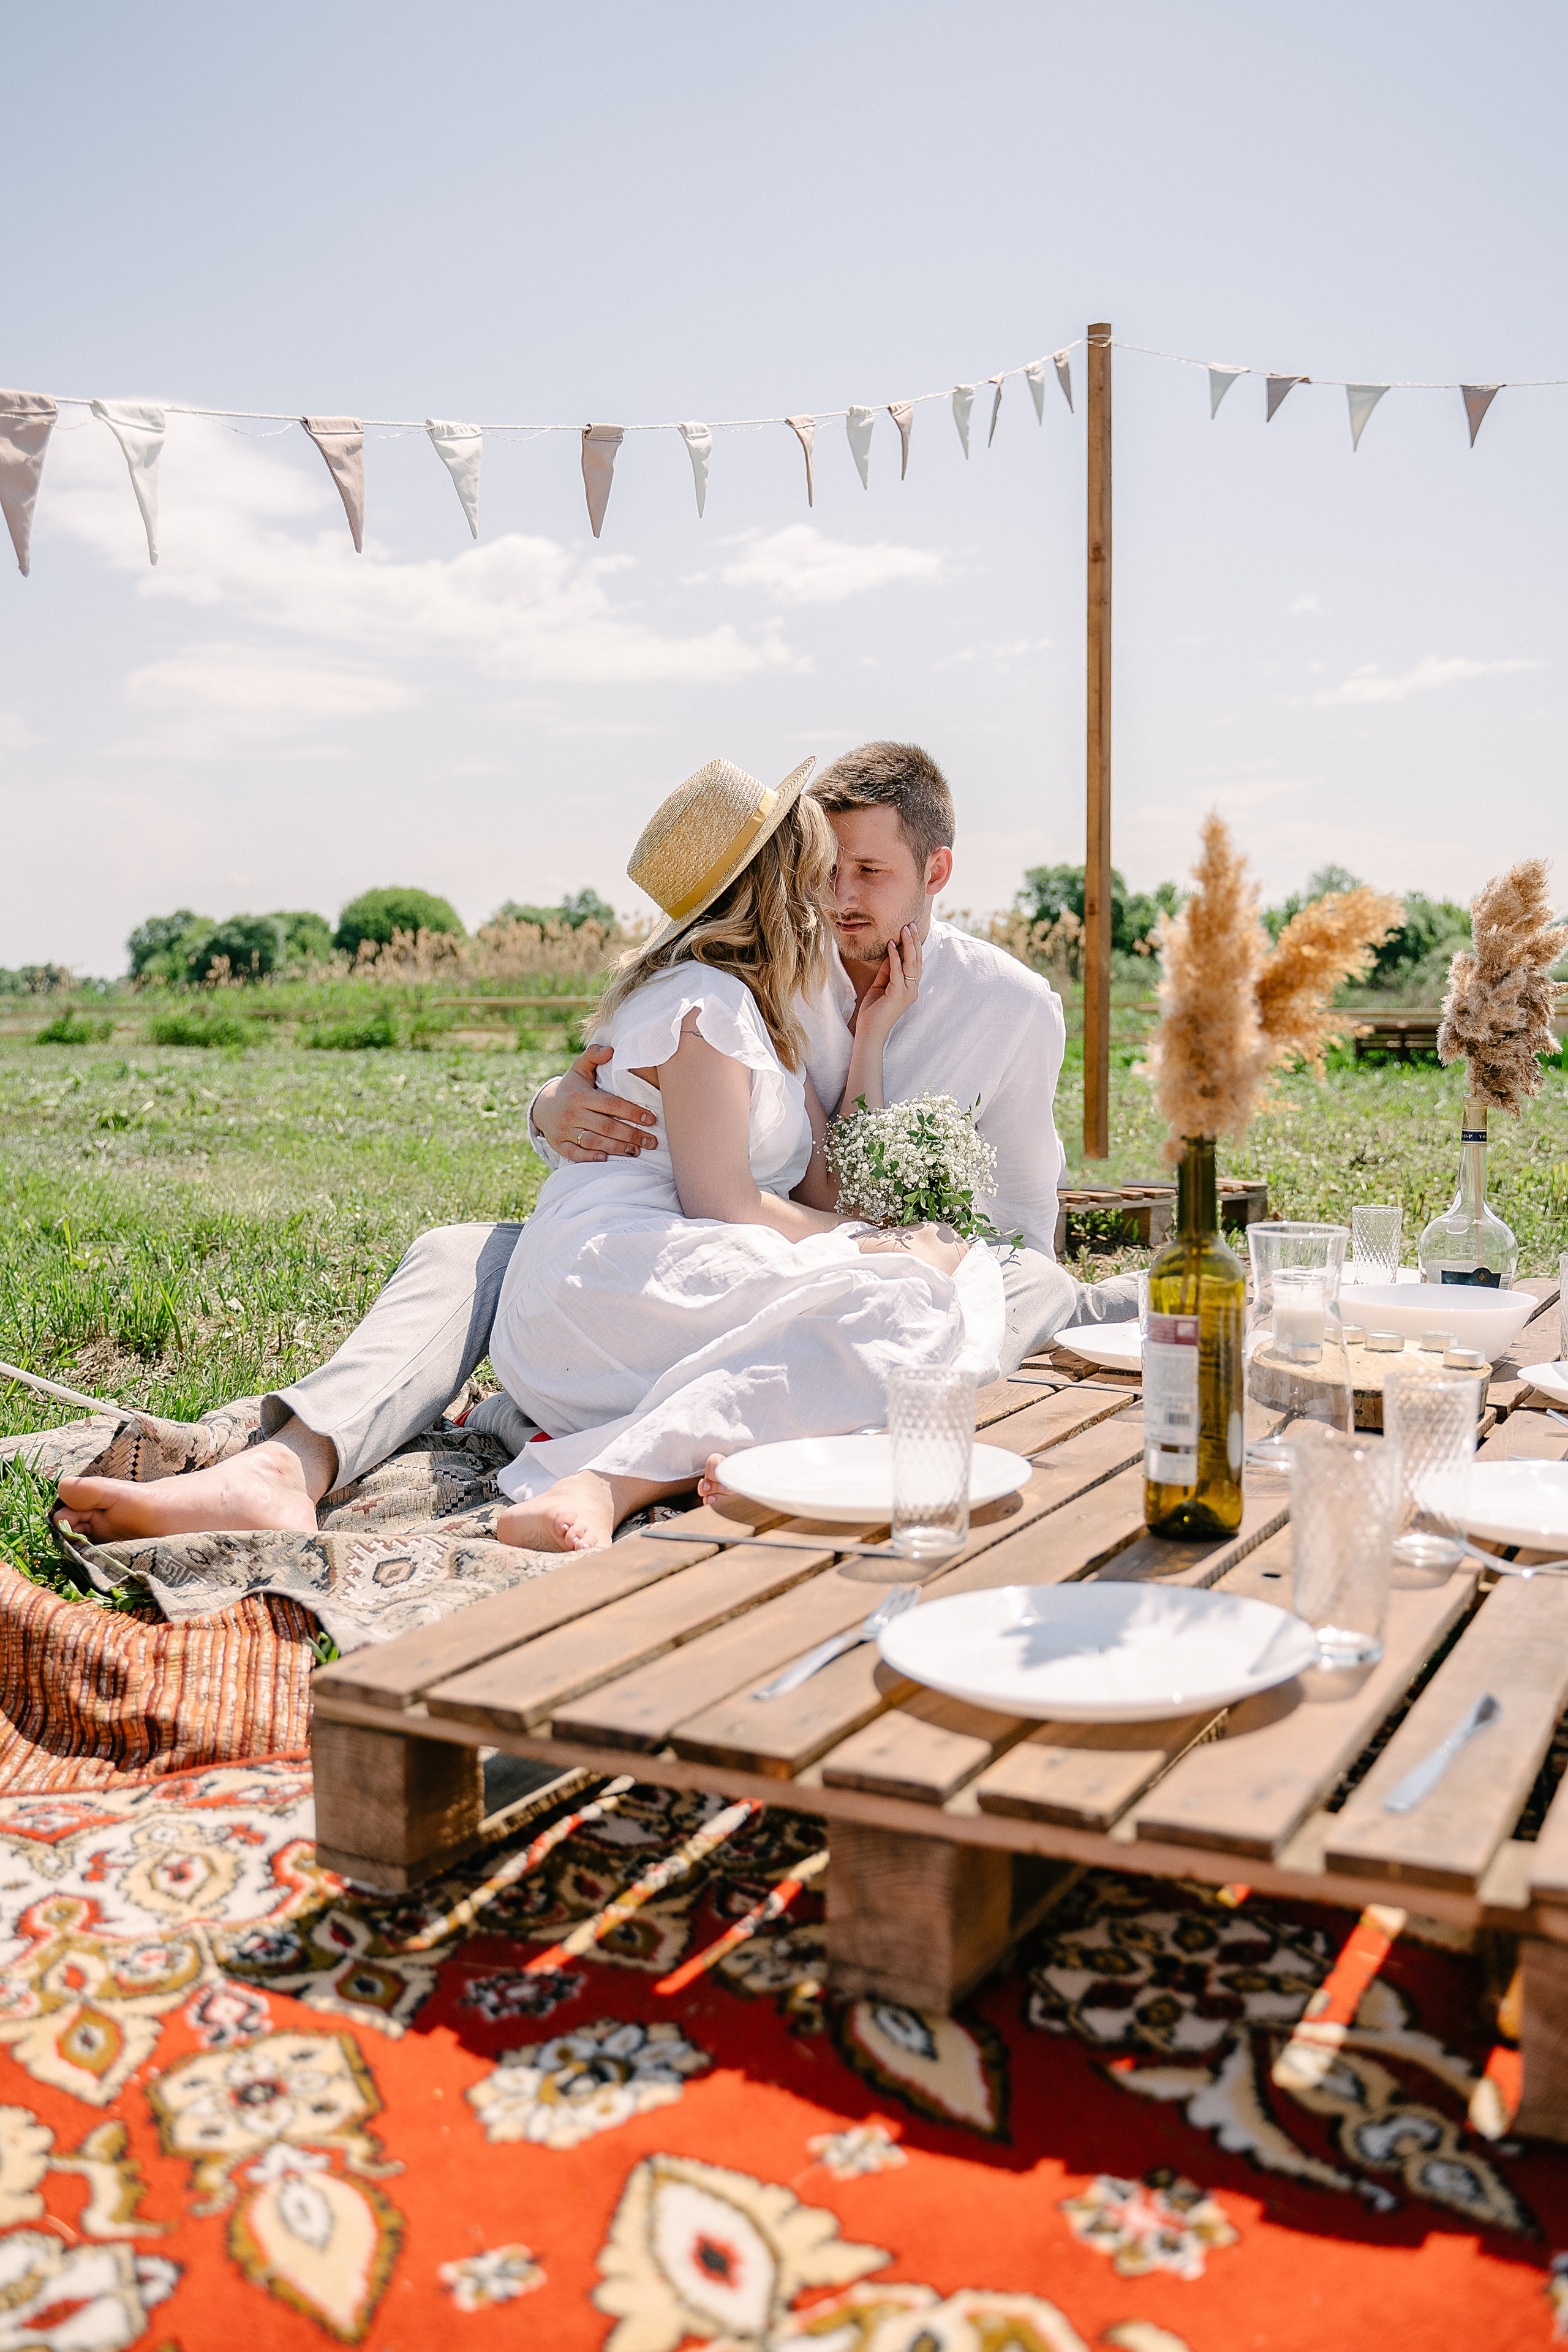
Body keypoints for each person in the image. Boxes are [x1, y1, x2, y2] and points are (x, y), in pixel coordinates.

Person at [59, 756, 1002, 1554]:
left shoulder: (765, 1009)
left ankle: (544, 1439)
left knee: (922, 1289)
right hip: (631, 1263)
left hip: (652, 1263)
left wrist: (870, 1044)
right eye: (827, 870)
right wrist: (877, 1245)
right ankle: (584, 1469)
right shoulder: (707, 1002)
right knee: (914, 1303)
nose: (839, 894)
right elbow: (730, 1199)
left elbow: (819, 1187)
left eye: (862, 871)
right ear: (781, 885)